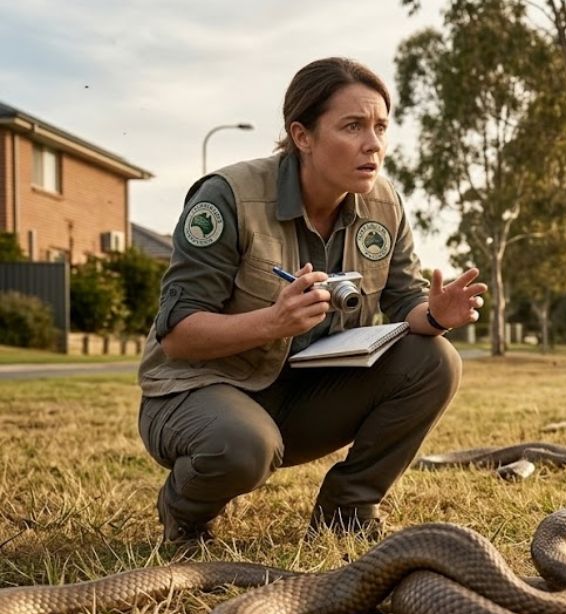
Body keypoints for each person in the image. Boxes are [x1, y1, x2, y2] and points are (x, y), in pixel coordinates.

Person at [137, 57, 486, 548]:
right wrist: (273, 321)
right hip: (198, 390)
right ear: (302, 135)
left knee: (435, 360)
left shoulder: (384, 204)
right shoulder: (228, 198)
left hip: (300, 396)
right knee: (242, 446)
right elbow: (177, 337)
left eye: (381, 127)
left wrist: (433, 315)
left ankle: (347, 509)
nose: (374, 144)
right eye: (353, 126)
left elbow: (403, 297)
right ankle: (184, 512)